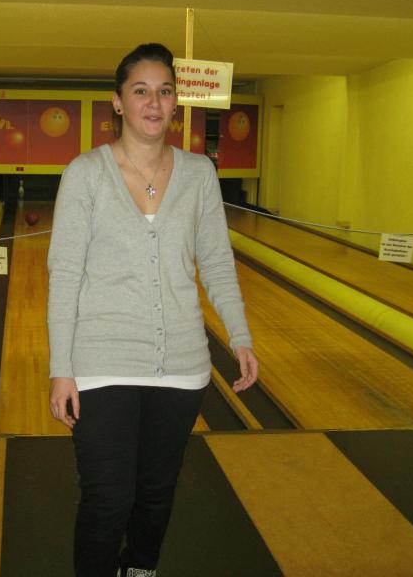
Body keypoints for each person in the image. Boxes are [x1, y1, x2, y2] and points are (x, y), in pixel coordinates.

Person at [47, 43, 258, 577]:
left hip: (182, 364)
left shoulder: (199, 173)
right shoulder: (85, 173)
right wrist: (61, 368)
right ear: (118, 102)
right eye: (140, 91)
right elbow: (65, 275)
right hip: (101, 362)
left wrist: (239, 335)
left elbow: (216, 261)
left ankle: (139, 569)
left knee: (156, 493)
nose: (154, 102)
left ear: (175, 102)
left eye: (164, 91)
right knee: (107, 498)